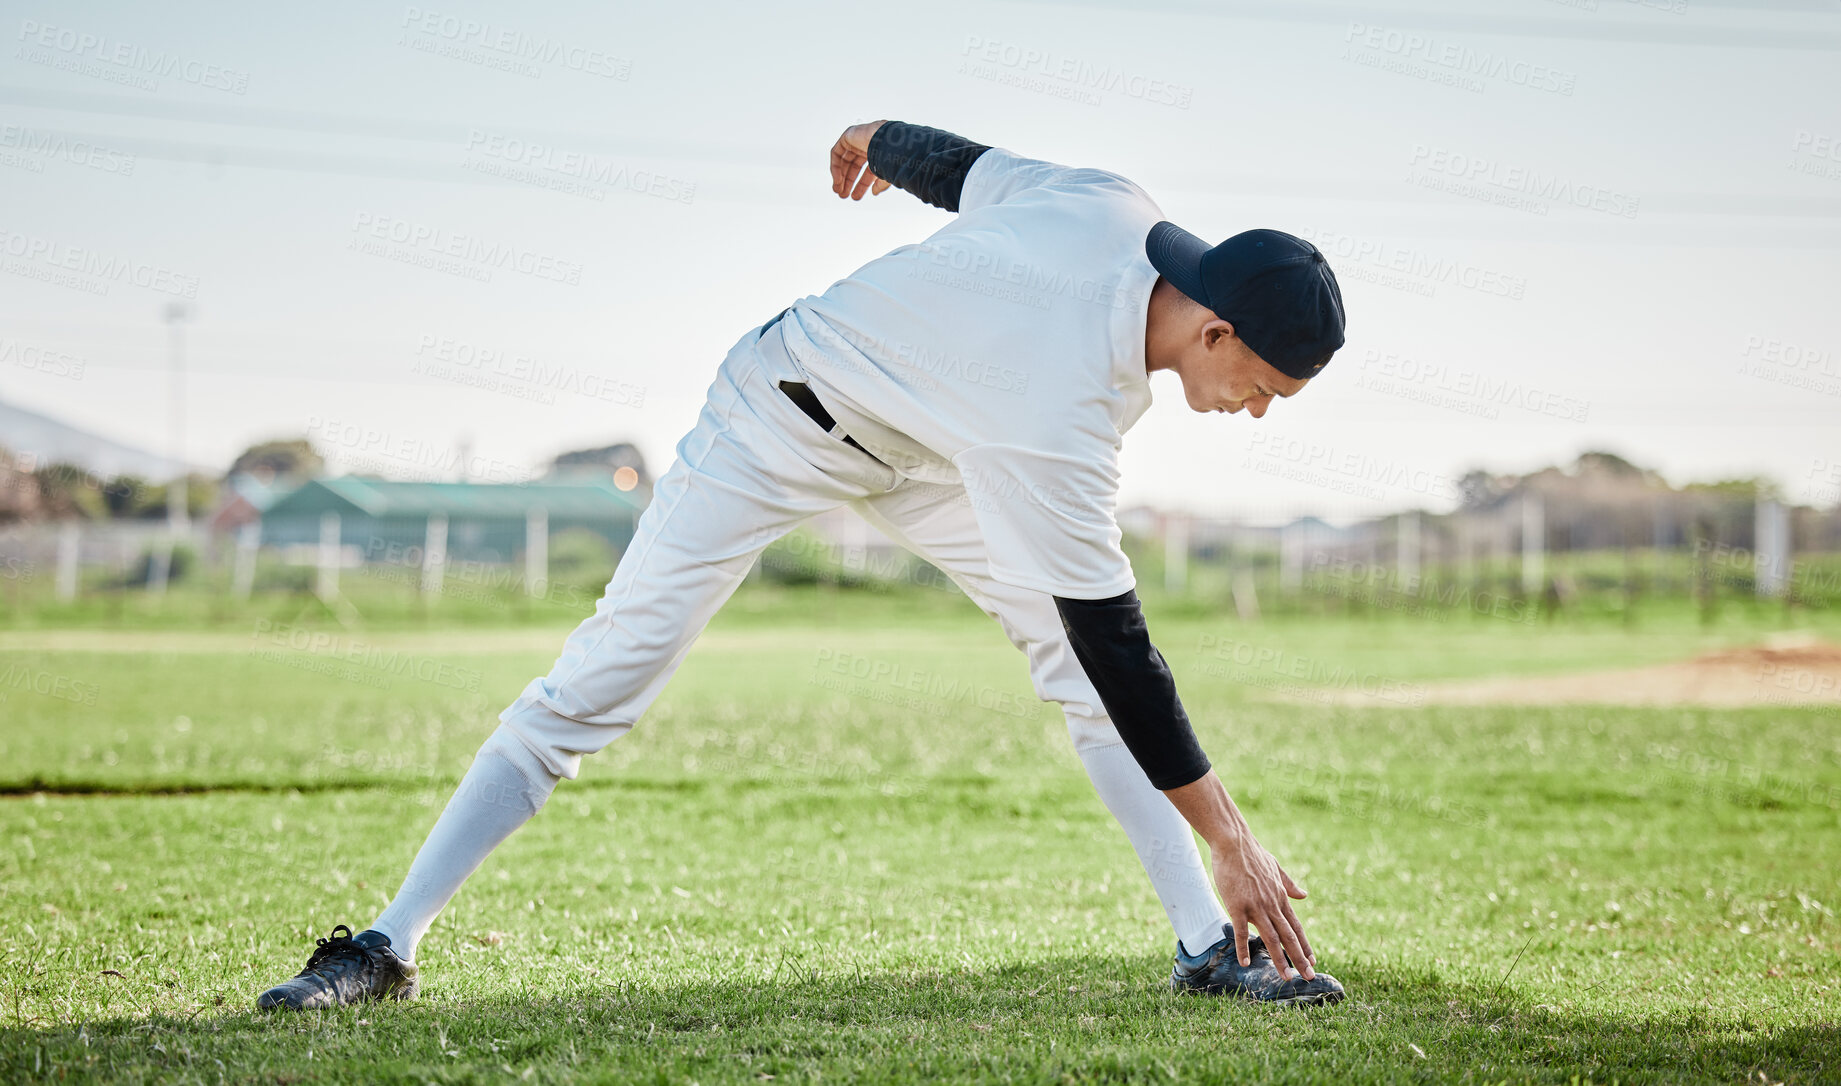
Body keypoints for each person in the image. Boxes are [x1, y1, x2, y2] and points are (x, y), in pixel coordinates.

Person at [257, 118, 1348, 1011]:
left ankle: (1209, 949)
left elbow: (966, 170)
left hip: (930, 448)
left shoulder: (1112, 205)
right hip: (777, 416)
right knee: (604, 676)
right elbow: (1124, 647)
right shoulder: (1058, 408)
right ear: (1211, 329)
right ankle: (384, 947)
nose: (1254, 409)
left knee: (1068, 661)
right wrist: (1232, 837)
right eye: (1263, 385)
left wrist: (874, 137)